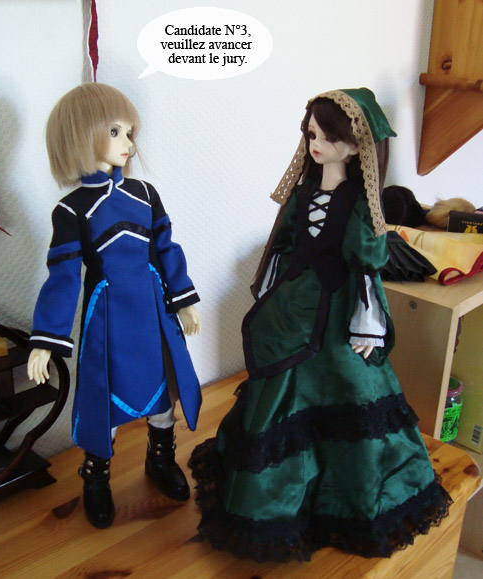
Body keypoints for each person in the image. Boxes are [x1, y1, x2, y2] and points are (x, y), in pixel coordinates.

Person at [189, 88, 451, 562]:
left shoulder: (360, 204)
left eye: (329, 138)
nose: (317, 145)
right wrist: (272, 290)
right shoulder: (303, 193)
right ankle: (278, 498)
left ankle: (345, 500)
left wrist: (367, 321)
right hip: (293, 306)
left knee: (349, 390)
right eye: (312, 134)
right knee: (279, 393)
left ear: (355, 147)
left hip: (338, 311)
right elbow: (285, 243)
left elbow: (366, 263)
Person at [27, 83, 202, 529]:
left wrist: (183, 299)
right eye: (115, 131)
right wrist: (45, 339)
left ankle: (160, 458)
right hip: (107, 318)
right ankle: (95, 476)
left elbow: (166, 249)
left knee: (162, 392)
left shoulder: (145, 194)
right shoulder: (71, 210)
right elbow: (64, 277)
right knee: (102, 398)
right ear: (81, 136)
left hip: (153, 311)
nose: (129, 142)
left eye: (129, 132)